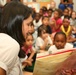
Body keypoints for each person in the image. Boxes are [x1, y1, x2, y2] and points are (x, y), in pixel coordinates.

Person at [0, 0, 33, 75]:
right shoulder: (10, 44)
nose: (30, 29)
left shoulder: (6, 40)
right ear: (17, 24)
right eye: (28, 24)